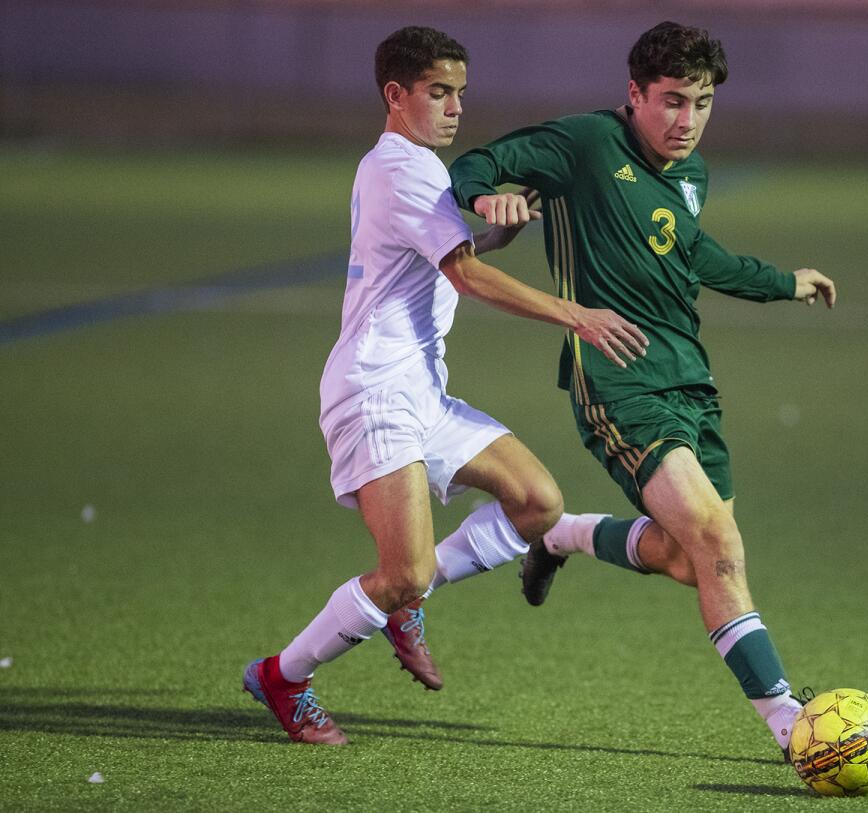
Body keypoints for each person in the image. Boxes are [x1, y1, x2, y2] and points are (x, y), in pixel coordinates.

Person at [242, 26, 647, 745]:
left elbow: (449, 249)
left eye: (461, 92)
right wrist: (575, 314)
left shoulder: (415, 166)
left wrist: (502, 231)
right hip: (376, 392)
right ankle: (284, 676)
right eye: (439, 92)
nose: (456, 107)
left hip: (421, 392)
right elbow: (464, 273)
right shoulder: (402, 169)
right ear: (395, 95)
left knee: (537, 500)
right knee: (401, 573)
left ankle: (408, 600)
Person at [449, 21, 836, 754]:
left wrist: (785, 282)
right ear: (635, 94)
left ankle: (559, 535)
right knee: (719, 541)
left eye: (702, 103)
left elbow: (696, 254)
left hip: (690, 380)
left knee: (687, 558)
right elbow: (479, 160)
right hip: (617, 379)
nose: (686, 121)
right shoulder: (587, 144)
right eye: (671, 102)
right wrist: (484, 199)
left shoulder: (692, 175)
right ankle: (791, 721)